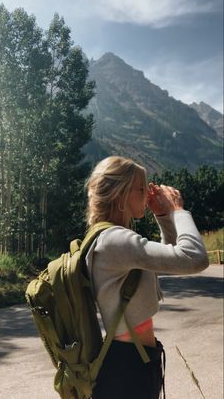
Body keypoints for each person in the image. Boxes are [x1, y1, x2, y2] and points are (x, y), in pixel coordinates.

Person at [85, 156, 209, 399]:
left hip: (130, 360)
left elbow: (169, 260)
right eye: (141, 188)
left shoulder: (112, 238)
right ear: (120, 194)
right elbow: (195, 258)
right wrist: (178, 211)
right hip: (127, 367)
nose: (147, 194)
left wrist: (163, 216)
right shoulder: (115, 240)